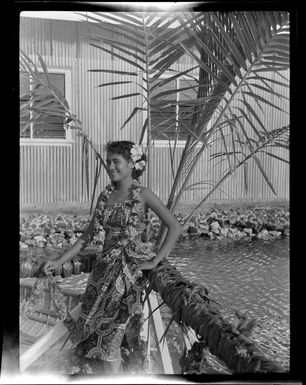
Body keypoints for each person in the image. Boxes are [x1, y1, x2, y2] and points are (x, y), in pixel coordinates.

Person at [44, 140, 183, 374]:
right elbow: (87, 236)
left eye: (116, 162)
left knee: (112, 340)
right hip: (101, 276)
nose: (110, 166)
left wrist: (156, 261)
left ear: (131, 164)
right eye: (108, 162)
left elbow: (174, 226)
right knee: (96, 336)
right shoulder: (106, 195)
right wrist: (59, 261)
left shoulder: (144, 194)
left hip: (128, 277)